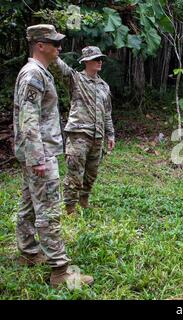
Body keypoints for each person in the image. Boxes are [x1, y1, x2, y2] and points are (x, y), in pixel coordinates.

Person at [13, 24, 93, 287]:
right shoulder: (33, 75)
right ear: (40, 45)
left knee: (28, 204)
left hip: (37, 153)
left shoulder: (40, 72)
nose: (59, 47)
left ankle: (27, 251)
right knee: (48, 210)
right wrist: (37, 158)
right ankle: (60, 271)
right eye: (54, 43)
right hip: (41, 154)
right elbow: (29, 120)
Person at [54, 46, 115, 214]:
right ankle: (70, 208)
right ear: (86, 62)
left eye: (100, 59)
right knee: (75, 173)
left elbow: (107, 112)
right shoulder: (76, 79)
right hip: (79, 135)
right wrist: (53, 50)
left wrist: (110, 134)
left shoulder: (104, 86)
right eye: (96, 59)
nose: (100, 62)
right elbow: (60, 67)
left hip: (97, 136)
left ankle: (84, 200)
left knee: (91, 173)